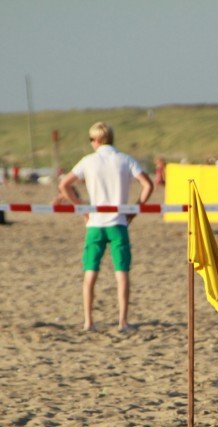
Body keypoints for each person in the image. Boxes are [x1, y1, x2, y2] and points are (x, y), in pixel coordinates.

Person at [57, 122, 153, 332]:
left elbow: (64, 185)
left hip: (95, 223)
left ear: (96, 140)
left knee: (90, 271)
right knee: (122, 272)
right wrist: (134, 209)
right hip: (118, 222)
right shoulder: (125, 159)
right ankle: (122, 321)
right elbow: (148, 185)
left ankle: (88, 321)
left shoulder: (88, 161)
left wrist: (81, 208)